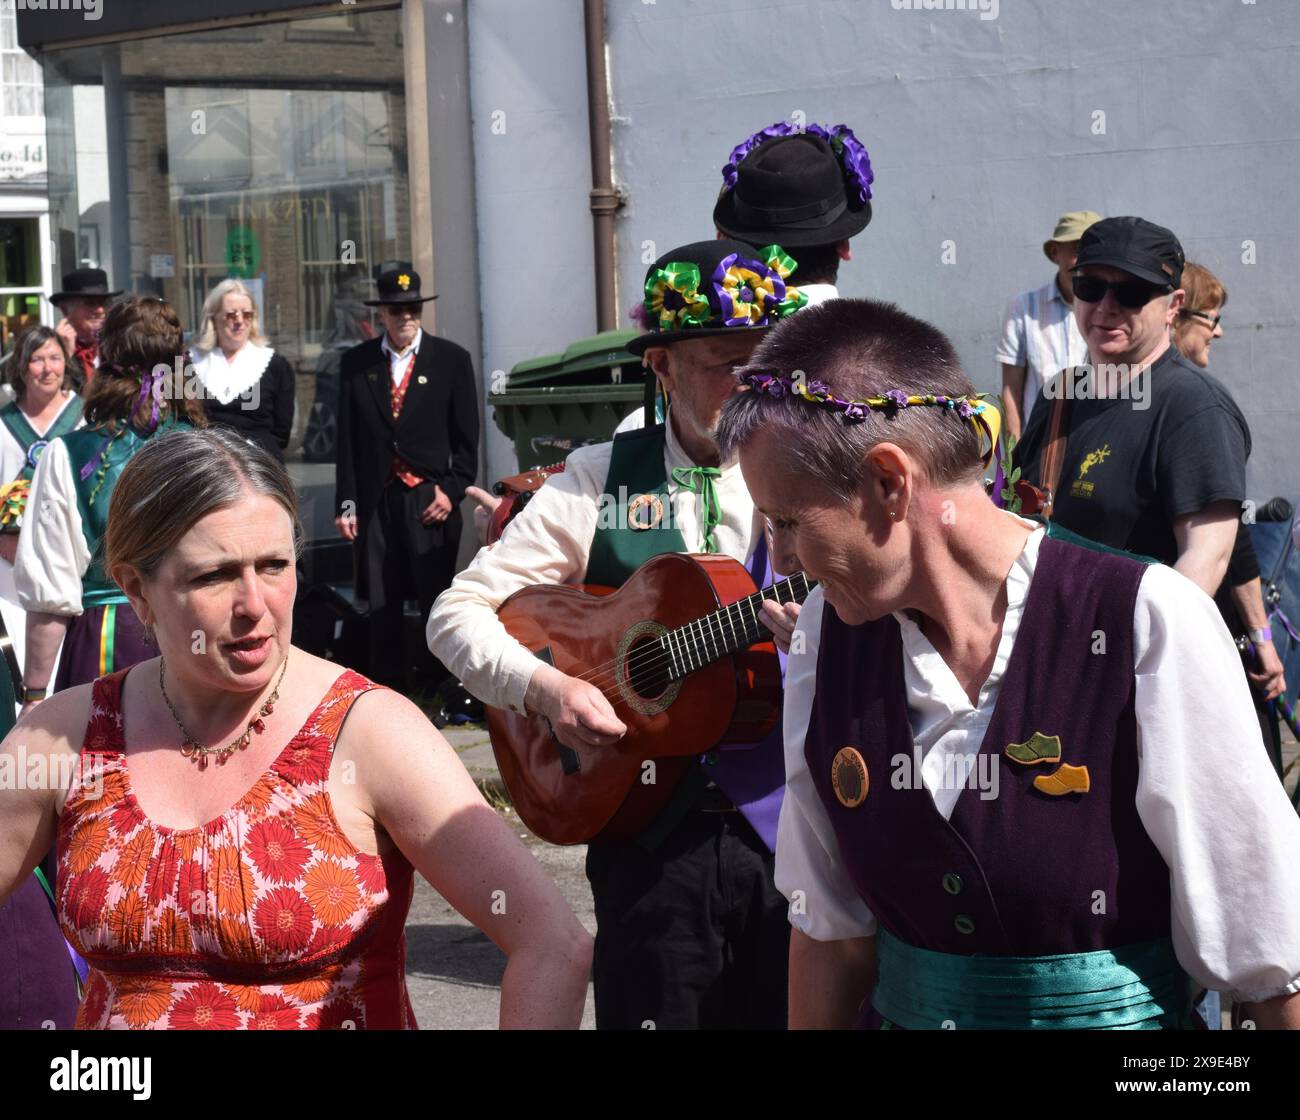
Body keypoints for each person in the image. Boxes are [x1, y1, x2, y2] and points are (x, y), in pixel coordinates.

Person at [716, 297, 1300, 1029]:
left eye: (790, 521)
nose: (780, 559)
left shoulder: (1146, 622)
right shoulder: (824, 646)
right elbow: (829, 936)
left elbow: (1269, 971)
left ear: (891, 484)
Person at [0, 427, 591, 1029]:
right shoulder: (68, 739)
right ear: (137, 590)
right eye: (214, 575)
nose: (255, 603)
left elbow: (551, 943)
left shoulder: (368, 733)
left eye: (274, 565)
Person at [429, 239, 806, 1030]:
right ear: (662, 367)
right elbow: (455, 615)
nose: (749, 385)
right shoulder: (600, 478)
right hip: (646, 838)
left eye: (761, 362)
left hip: (794, 834)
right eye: (720, 363)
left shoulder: (810, 472)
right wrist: (548, 686)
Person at [1014, 217, 1245, 599]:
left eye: (1132, 292)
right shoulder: (1060, 393)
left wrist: (1128, 650)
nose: (1106, 307)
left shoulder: (1196, 408)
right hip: (1046, 640)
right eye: (1089, 286)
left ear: (1174, 306)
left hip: (1129, 651)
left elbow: (1205, 560)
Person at [16, 297, 204, 703]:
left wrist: (33, 695)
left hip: (109, 640)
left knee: (108, 762)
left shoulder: (68, 454)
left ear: (105, 358)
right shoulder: (209, 448)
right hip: (195, 635)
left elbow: (52, 591)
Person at [334, 265, 478, 692]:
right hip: (376, 499)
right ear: (381, 314)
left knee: (436, 596)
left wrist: (452, 493)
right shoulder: (356, 364)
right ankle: (386, 689)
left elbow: (467, 445)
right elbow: (346, 443)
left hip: (429, 500)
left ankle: (439, 687)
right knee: (381, 600)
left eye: (412, 307)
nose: (405, 316)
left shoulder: (452, 360)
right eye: (396, 310)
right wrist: (347, 503)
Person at [1170, 262, 1286, 777]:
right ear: (1175, 315)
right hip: (1203, 633)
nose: (1217, 330)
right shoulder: (1199, 405)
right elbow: (1234, 541)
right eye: (1210, 317)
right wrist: (1263, 642)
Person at [0, 327, 83, 683]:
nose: (47, 369)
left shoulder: (84, 418)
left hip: (70, 558)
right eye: (37, 359)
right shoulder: (4, 424)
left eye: (55, 358)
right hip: (7, 563)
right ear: (21, 366)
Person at [997, 210, 1101, 439]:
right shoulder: (1023, 309)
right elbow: (1011, 390)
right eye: (1077, 250)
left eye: (1093, 251)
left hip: (1094, 443)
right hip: (1039, 445)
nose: (1085, 260)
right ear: (1055, 253)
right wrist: (1015, 457)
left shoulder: (1110, 310)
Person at [189, 279, 295, 462]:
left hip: (261, 466)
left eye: (247, 314)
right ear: (213, 317)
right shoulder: (190, 363)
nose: (239, 321)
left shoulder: (275, 365)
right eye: (231, 315)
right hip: (207, 467)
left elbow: (282, 432)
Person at [51, 268, 121, 392]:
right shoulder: (48, 351)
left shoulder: (120, 344)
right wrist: (64, 355)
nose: (100, 311)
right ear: (65, 310)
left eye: (104, 303)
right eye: (90, 303)